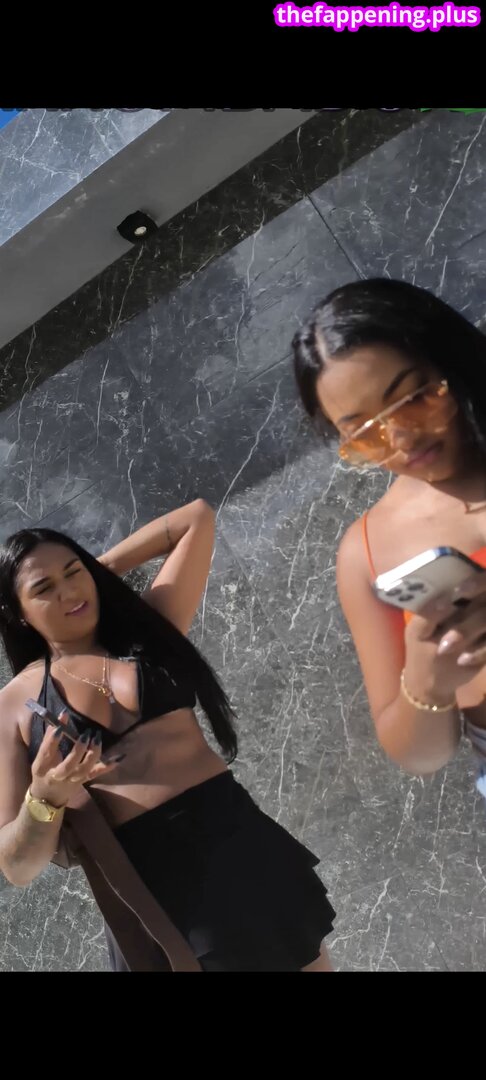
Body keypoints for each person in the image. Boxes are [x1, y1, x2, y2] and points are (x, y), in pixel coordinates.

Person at [0, 499, 335, 971]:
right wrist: (44, 796)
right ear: (17, 613)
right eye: (44, 588)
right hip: (163, 889)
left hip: (243, 841)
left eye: (74, 572)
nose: (68, 591)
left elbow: (195, 519)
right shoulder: (16, 704)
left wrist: (99, 571)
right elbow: (17, 866)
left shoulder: (149, 631)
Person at [292, 278, 486, 792]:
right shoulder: (367, 551)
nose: (402, 438)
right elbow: (419, 755)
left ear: (448, 363)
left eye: (414, 398)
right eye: (366, 435)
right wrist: (427, 680)